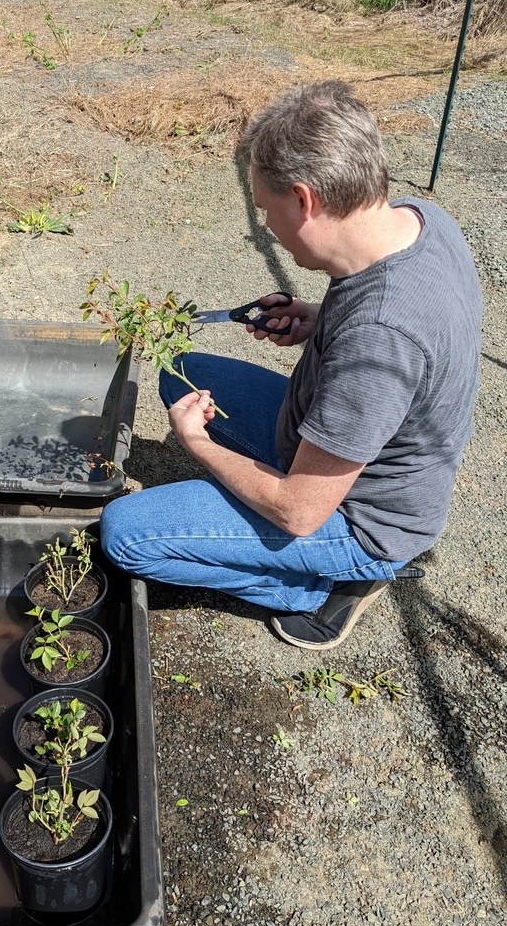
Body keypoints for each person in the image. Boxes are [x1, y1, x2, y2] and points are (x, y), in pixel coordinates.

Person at [99, 80, 483, 650]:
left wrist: (199, 446)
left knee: (125, 534)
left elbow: (298, 511)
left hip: (359, 519)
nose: (267, 227)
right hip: (335, 442)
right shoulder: (417, 219)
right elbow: (381, 323)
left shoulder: (381, 339)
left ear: (303, 200)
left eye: (265, 209)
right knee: (178, 369)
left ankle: (320, 585)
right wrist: (317, 318)